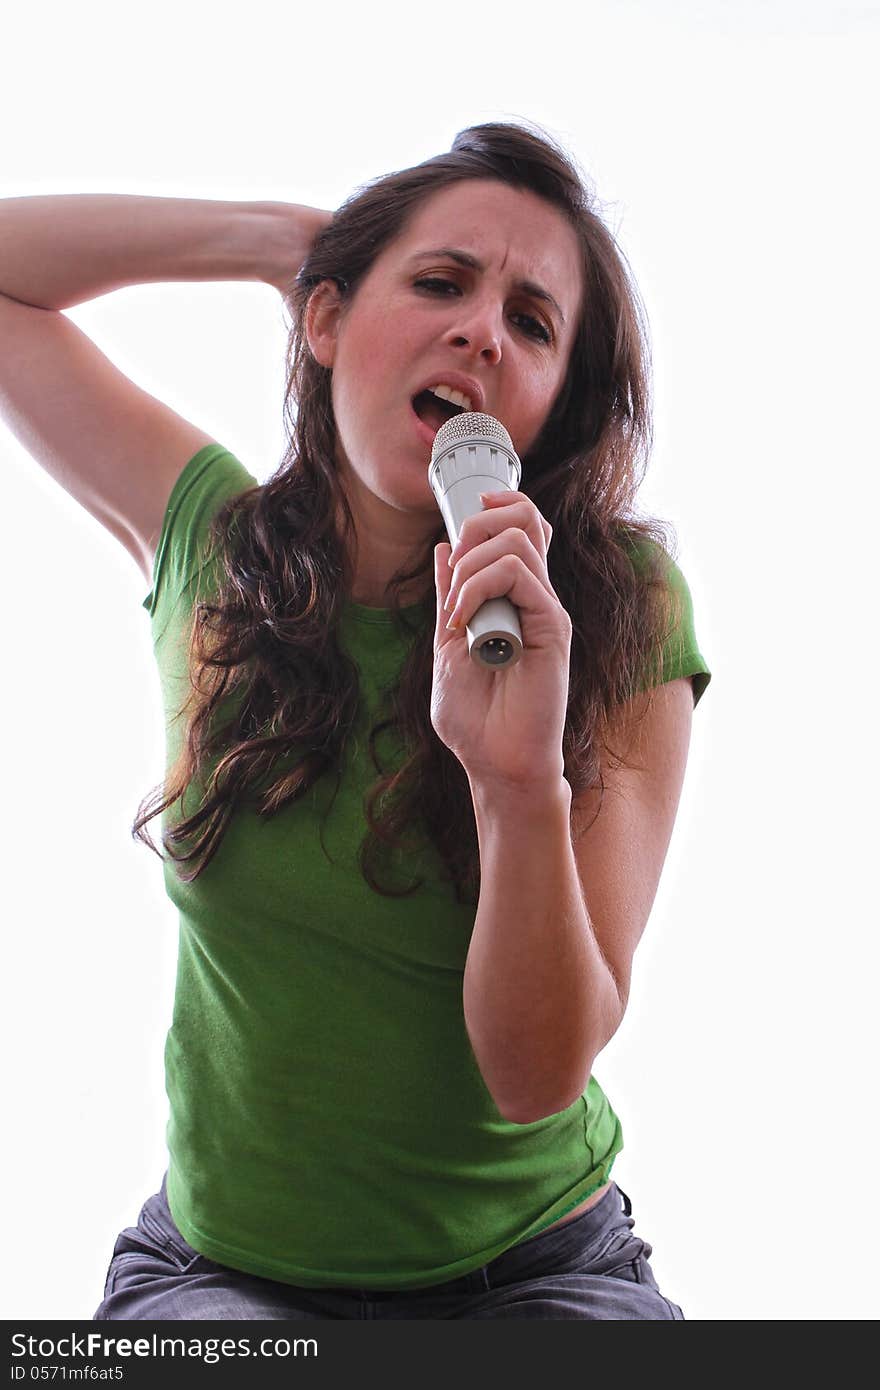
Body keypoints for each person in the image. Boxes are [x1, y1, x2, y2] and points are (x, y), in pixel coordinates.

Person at [0, 121, 711, 1321]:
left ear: (545, 412)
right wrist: (281, 244)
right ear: (323, 324)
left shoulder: (621, 612)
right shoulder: (214, 545)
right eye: (438, 283)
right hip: (221, 1277)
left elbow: (538, 1073)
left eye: (531, 325)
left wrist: (514, 780)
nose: (482, 330)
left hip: (536, 1275)